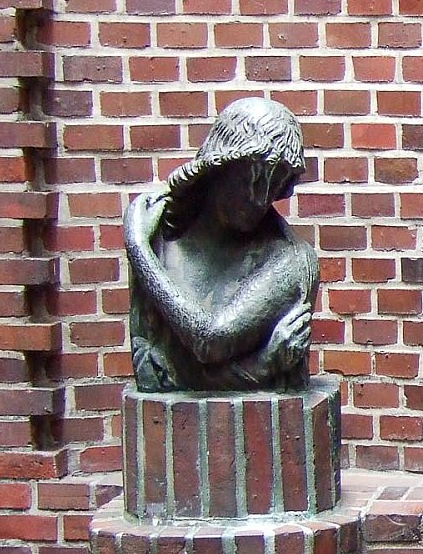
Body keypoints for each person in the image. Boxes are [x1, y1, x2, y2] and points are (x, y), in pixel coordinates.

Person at [126, 97, 319, 392]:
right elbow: (154, 365)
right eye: (252, 178)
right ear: (220, 166)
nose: (261, 197)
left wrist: (139, 251)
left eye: (276, 183)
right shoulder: (158, 230)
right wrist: (262, 364)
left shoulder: (291, 262)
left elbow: (209, 342)